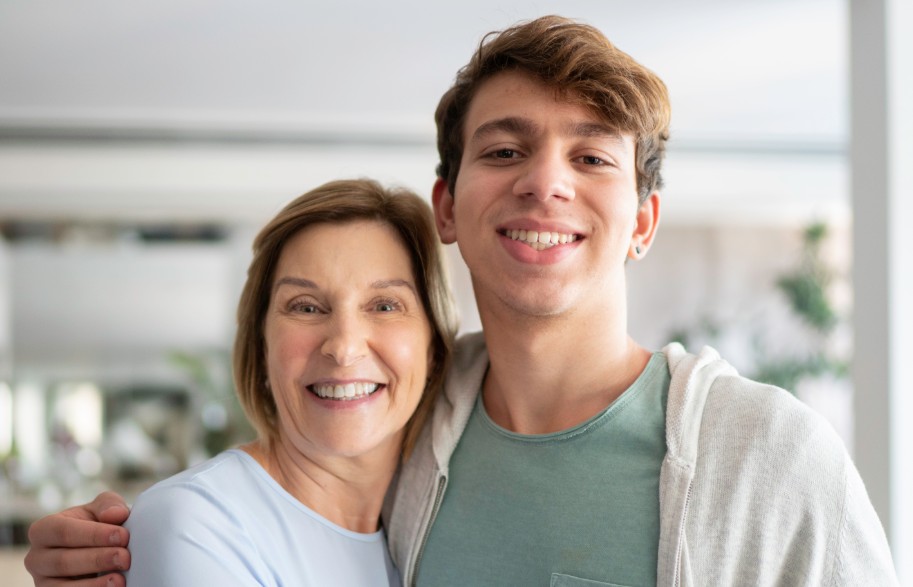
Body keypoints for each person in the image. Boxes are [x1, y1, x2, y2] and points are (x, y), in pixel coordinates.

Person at [25, 15, 898, 587]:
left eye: (591, 157)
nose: (545, 184)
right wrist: (103, 551)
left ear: (643, 221)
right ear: (447, 206)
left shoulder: (768, 459)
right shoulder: (402, 430)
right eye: (504, 150)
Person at [25, 178, 457, 586]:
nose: (343, 347)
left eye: (384, 305)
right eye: (305, 307)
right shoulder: (199, 521)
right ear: (261, 346)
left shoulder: (419, 543)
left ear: (434, 348)